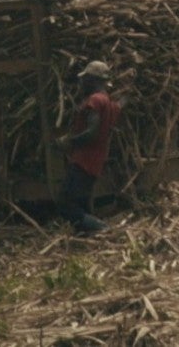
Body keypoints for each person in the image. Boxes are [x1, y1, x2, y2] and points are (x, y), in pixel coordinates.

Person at [55, 60, 120, 235]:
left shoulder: (96, 100)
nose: (82, 83)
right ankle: (86, 233)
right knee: (81, 202)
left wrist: (69, 141)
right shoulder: (110, 103)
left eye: (85, 79)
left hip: (84, 160)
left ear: (93, 80)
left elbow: (92, 133)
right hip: (95, 160)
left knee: (65, 203)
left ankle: (102, 228)